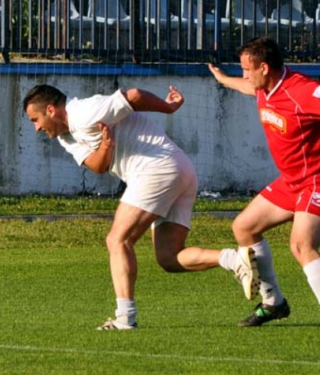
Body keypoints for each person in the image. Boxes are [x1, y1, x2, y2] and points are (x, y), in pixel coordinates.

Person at [23, 84, 260, 330]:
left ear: (50, 110)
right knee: (169, 257)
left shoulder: (84, 112)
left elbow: (134, 96)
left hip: (156, 168)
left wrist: (167, 107)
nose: (36, 127)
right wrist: (106, 147)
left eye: (35, 119)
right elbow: (97, 166)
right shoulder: (65, 135)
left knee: (117, 240)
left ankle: (125, 318)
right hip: (179, 169)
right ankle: (234, 259)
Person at [208, 36, 320, 332]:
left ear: (264, 67)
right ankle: (273, 302)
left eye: (247, 69)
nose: (245, 75)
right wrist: (224, 79)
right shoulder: (264, 86)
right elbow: (248, 88)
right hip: (294, 181)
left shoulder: (301, 91)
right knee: (243, 227)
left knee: (302, 244)